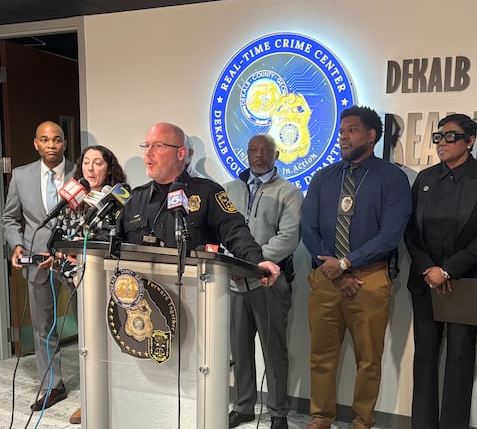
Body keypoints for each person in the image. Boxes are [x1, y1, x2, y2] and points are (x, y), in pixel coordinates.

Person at [301, 105, 412, 429]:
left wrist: (347, 264)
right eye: (341, 131)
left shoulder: (392, 179)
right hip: (326, 280)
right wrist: (334, 270)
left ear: (371, 135)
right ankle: (321, 418)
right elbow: (308, 228)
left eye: (351, 130)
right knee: (321, 357)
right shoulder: (324, 177)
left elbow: (391, 233)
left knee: (369, 361)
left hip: (370, 280)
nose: (343, 137)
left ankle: (362, 421)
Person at [404, 114, 477, 429]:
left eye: (451, 136)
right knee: (424, 359)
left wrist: (447, 271)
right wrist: (429, 269)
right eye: (439, 136)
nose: (443, 143)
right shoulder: (425, 178)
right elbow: (411, 232)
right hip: (426, 283)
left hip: (466, 281)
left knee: (460, 360)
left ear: (470, 141)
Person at [117, 122, 280, 283]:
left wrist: (257, 261)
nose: (148, 153)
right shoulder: (135, 198)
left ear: (181, 154)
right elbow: (114, 245)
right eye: (146, 146)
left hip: (195, 294)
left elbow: (235, 231)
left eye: (158, 146)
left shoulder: (208, 192)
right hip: (142, 297)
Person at [223, 134, 303, 429]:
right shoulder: (229, 189)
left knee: (274, 350)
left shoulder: (289, 193)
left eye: (265, 150)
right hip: (233, 282)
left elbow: (288, 238)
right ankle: (243, 405)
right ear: (246, 154)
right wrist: (232, 264)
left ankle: (278, 412)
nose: (259, 155)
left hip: (269, 282)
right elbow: (220, 231)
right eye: (253, 150)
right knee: (239, 348)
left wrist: (250, 264)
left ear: (276, 154)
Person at [1, 120, 75, 411]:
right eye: (45, 140)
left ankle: (99, 381)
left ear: (64, 144)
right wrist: (16, 244)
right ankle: (53, 385)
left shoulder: (80, 173)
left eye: (57, 139)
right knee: (43, 327)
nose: (51, 145)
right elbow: (10, 218)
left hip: (71, 261)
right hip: (36, 261)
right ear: (36, 144)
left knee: (90, 322)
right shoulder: (20, 176)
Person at [61, 144, 126, 425]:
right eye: (86, 162)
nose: (90, 167)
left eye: (97, 162)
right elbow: (62, 241)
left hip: (111, 284)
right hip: (78, 281)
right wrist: (71, 270)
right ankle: (88, 400)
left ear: (109, 168)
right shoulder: (72, 199)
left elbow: (118, 240)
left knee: (113, 343)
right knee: (87, 344)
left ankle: (119, 398)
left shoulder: (120, 199)